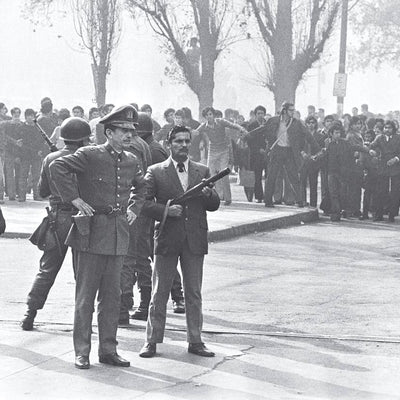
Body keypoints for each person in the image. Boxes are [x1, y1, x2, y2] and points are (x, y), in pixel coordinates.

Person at [50, 105, 146, 369]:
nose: (129, 135)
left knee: (112, 298)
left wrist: (135, 209)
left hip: (117, 235)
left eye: (131, 131)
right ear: (109, 132)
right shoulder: (89, 155)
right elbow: (57, 167)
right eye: (123, 130)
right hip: (90, 234)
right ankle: (82, 351)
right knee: (85, 298)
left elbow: (142, 185)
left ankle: (108, 350)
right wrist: (75, 199)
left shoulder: (131, 159)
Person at [139, 125, 220, 358]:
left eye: (187, 141)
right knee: (159, 292)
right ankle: (152, 341)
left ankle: (195, 340)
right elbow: (143, 203)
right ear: (168, 144)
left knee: (193, 292)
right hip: (167, 237)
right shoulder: (155, 171)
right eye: (178, 142)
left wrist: (209, 195)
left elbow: (213, 204)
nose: (183, 145)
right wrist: (166, 210)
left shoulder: (202, 170)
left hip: (194, 238)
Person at [20, 117, 92, 331]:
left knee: (47, 269)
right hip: (82, 218)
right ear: (83, 139)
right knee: (84, 273)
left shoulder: (50, 158)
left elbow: (42, 191)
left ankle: (29, 314)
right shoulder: (88, 159)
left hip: (57, 218)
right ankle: (84, 320)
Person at [254, 102, 320, 207]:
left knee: (294, 177)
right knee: (272, 176)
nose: (292, 112)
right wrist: (248, 135)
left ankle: (299, 200)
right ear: (284, 110)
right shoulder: (273, 121)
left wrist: (318, 149)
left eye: (293, 110)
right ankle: (268, 200)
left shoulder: (296, 123)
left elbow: (308, 135)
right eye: (290, 110)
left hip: (289, 152)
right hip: (277, 151)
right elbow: (262, 129)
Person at [194, 106, 247, 205]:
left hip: (223, 151)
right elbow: (195, 132)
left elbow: (232, 125)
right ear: (205, 117)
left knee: (224, 174)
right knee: (210, 174)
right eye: (207, 115)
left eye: (210, 114)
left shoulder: (221, 121)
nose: (209, 117)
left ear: (213, 114)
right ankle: (213, 197)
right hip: (213, 151)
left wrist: (241, 128)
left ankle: (228, 199)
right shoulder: (204, 126)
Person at [369, 120, 400, 222]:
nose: (387, 130)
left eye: (389, 128)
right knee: (381, 191)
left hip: (396, 168)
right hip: (383, 168)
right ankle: (379, 214)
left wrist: (396, 159)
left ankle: (392, 214)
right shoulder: (379, 138)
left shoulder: (398, 138)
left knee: (395, 192)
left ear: (394, 129)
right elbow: (371, 146)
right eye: (386, 127)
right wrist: (371, 150)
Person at [18, 109, 48, 202]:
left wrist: (40, 151)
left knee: (37, 176)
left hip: (36, 155)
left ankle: (37, 195)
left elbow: (43, 141)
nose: (30, 118)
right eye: (28, 116)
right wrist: (18, 155)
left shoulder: (38, 128)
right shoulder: (21, 127)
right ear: (25, 117)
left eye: (32, 116)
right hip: (24, 155)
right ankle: (21, 196)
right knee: (23, 176)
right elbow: (19, 143)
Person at [247, 105, 268, 203]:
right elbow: (250, 141)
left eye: (262, 113)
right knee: (258, 176)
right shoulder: (251, 126)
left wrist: (267, 149)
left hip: (267, 153)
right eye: (258, 113)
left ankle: (268, 195)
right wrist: (258, 149)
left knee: (269, 176)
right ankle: (259, 196)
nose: (260, 115)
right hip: (256, 155)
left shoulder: (268, 125)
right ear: (255, 115)